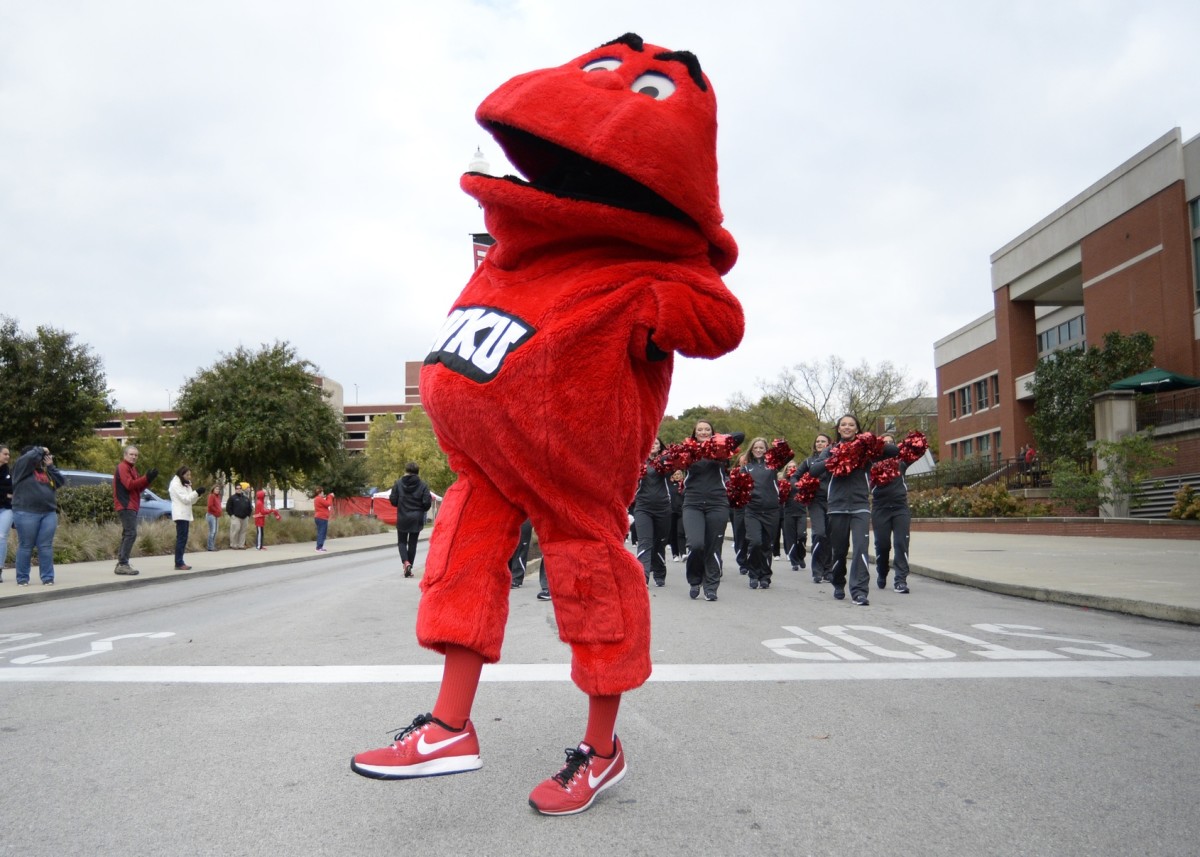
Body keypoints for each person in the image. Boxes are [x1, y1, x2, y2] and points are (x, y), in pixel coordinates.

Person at [350, 33, 743, 817]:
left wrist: (657, 301)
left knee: (591, 583)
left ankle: (601, 749)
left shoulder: (642, 269)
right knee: (462, 557)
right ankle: (449, 726)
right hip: (490, 459)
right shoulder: (518, 251)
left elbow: (716, 319)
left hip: (574, 472)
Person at [809, 416, 898, 606]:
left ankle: (859, 591)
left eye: (851, 425)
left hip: (860, 506)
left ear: (857, 428)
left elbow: (893, 451)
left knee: (860, 549)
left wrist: (870, 441)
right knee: (839, 551)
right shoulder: (830, 450)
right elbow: (814, 470)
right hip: (837, 507)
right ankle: (838, 582)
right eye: (843, 425)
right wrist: (836, 458)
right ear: (838, 429)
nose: (847, 427)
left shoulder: (865, 449)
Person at [680, 421, 745, 602]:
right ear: (694, 433)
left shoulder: (720, 449)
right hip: (692, 503)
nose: (703, 432)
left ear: (712, 432)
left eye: (707, 429)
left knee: (713, 547)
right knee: (696, 544)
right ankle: (694, 580)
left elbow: (740, 435)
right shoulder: (687, 450)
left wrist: (716, 441)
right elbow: (668, 460)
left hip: (717, 503)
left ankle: (711, 586)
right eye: (699, 429)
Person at [11, 445, 64, 586]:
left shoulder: (44, 471)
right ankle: (22, 578)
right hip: (26, 512)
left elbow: (60, 482)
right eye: (38, 457)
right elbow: (28, 458)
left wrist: (51, 466)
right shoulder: (20, 469)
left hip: (48, 513)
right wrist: (41, 449)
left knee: (45, 546)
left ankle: (47, 578)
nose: (40, 459)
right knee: (26, 545)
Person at [871, 435, 913, 594]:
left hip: (900, 508)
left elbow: (917, 450)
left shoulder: (902, 462)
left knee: (901, 543)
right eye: (884, 442)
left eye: (890, 442)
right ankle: (882, 572)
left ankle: (900, 580)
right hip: (880, 508)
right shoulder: (872, 463)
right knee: (882, 545)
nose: (888, 446)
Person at [740, 438, 781, 590]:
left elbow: (787, 455)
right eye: (755, 447)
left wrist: (780, 445)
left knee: (767, 544)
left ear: (766, 449)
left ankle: (765, 576)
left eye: (761, 447)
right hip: (752, 511)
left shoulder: (773, 465)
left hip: (771, 511)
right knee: (755, 542)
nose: (758, 450)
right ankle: (753, 573)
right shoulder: (746, 468)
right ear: (751, 449)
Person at [632, 438, 672, 587]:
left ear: (660, 446)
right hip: (643, 508)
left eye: (655, 443)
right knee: (645, 542)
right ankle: (643, 576)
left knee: (660, 542)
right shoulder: (638, 463)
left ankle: (660, 572)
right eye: (650, 443)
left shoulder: (667, 462)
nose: (652, 445)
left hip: (663, 508)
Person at [113, 445, 157, 576]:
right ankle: (123, 564)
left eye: (136, 455)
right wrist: (145, 478)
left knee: (128, 533)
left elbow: (137, 489)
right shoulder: (123, 467)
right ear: (125, 455)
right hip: (125, 505)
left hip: (131, 505)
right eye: (131, 454)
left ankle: (121, 562)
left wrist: (148, 480)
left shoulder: (132, 469)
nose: (134, 457)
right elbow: (129, 485)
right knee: (131, 533)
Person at [795, 434, 831, 585]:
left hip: (833, 501)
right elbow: (795, 477)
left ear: (829, 444)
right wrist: (798, 487)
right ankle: (817, 570)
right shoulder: (809, 461)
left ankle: (828, 570)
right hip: (815, 501)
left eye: (823, 441)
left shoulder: (834, 459)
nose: (820, 443)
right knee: (819, 533)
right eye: (817, 441)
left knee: (830, 536)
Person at [389, 462, 431, 576]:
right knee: (413, 543)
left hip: (403, 516)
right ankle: (409, 568)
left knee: (402, 542)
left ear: (406, 471)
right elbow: (427, 503)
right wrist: (420, 509)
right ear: (417, 472)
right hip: (416, 518)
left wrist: (401, 504)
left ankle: (405, 562)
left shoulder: (398, 483)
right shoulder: (423, 485)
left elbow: (393, 500)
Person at [168, 466, 203, 571]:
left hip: (186, 514)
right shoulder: (175, 484)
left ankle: (180, 561)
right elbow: (186, 499)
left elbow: (192, 501)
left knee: (183, 538)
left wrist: (197, 494)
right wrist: (196, 492)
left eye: (190, 475)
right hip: (180, 514)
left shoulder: (185, 484)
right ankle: (179, 562)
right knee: (181, 539)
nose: (189, 477)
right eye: (187, 475)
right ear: (181, 474)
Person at [780, 461, 808, 572]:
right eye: (789, 467)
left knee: (802, 535)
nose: (792, 469)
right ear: (786, 470)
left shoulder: (803, 480)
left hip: (801, 512)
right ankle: (794, 561)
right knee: (790, 538)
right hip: (788, 512)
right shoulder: (783, 482)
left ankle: (801, 556)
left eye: (794, 467)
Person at [225, 483, 252, 549]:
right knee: (235, 530)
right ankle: (233, 544)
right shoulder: (232, 498)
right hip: (236, 517)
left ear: (241, 489)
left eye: (240, 488)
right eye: (237, 488)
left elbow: (249, 508)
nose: (239, 490)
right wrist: (232, 515)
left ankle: (241, 545)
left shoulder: (246, 498)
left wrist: (248, 515)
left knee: (243, 531)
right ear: (235, 489)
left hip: (245, 517)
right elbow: (228, 508)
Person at [509, 518, 534, 588]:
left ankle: (516, 579)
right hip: (509, 519)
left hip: (523, 520)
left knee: (520, 550)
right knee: (508, 551)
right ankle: (508, 577)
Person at [667, 470, 685, 562]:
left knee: (681, 532)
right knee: (673, 533)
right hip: (672, 512)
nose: (677, 476)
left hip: (682, 512)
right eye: (675, 474)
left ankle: (683, 553)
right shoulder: (670, 485)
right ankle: (675, 554)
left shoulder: (684, 485)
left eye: (679, 474)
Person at [0, 445, 12, 582]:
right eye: (5, 454)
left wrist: (6, 494)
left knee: (1, 536)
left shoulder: (8, 471)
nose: (7, 456)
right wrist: (5, 494)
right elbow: (6, 491)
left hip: (6, 509)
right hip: (4, 502)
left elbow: (12, 490)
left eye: (8, 454)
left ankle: (0, 568)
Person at [313, 486, 335, 552]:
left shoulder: (318, 499)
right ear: (319, 493)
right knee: (321, 533)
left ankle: (320, 546)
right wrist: (330, 496)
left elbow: (325, 503)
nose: (323, 493)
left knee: (322, 533)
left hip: (321, 518)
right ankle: (319, 547)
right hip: (321, 518)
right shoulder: (319, 499)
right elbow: (328, 504)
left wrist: (328, 497)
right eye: (322, 492)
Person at [205, 485, 223, 551]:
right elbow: (210, 506)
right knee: (212, 531)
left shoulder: (218, 497)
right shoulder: (211, 496)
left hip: (216, 516)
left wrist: (219, 512)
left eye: (218, 489)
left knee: (215, 531)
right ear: (213, 489)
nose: (217, 490)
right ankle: (210, 546)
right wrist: (216, 511)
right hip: (211, 515)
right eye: (216, 489)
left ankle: (212, 545)